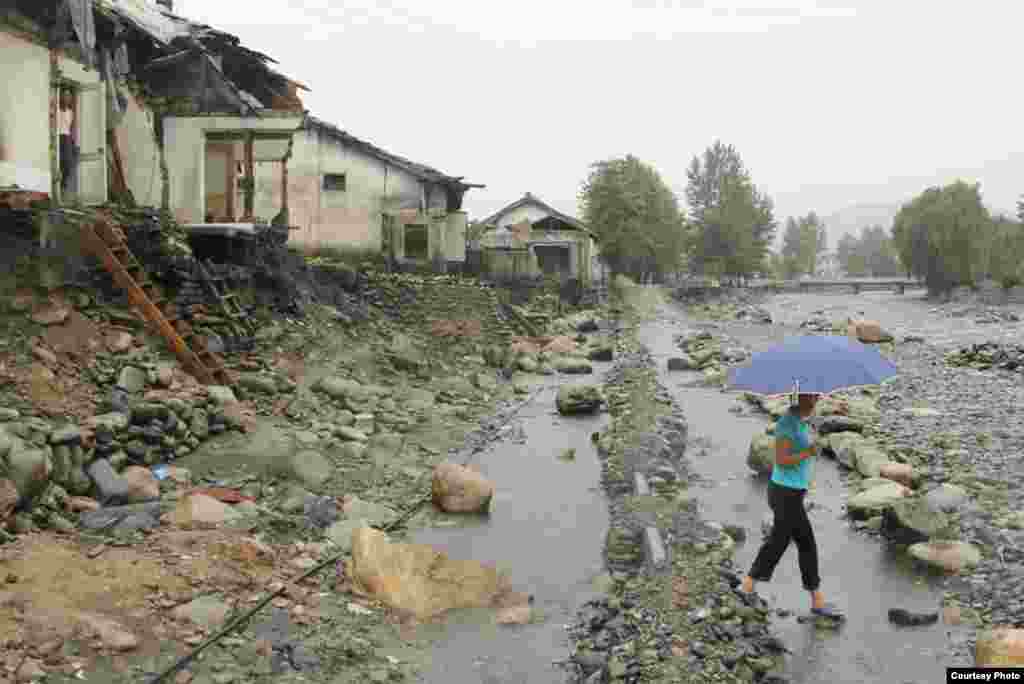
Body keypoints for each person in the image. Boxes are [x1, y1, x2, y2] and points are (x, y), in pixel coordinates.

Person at [739, 391, 842, 618]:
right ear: (800, 398)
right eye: (812, 397)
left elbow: (801, 449)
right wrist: (808, 451)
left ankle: (748, 584)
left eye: (817, 397)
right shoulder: (787, 424)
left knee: (782, 541)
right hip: (784, 494)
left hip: (792, 493)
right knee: (800, 542)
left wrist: (812, 445)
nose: (816, 401)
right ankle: (816, 600)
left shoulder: (801, 422)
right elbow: (782, 460)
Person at [58, 87, 78, 194]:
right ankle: (59, 185)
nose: (67, 98)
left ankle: (63, 185)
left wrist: (72, 140)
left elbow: (70, 128)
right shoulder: (57, 110)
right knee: (59, 162)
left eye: (69, 96)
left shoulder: (71, 112)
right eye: (65, 95)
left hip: (66, 137)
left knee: (68, 164)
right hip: (58, 136)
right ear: (61, 97)